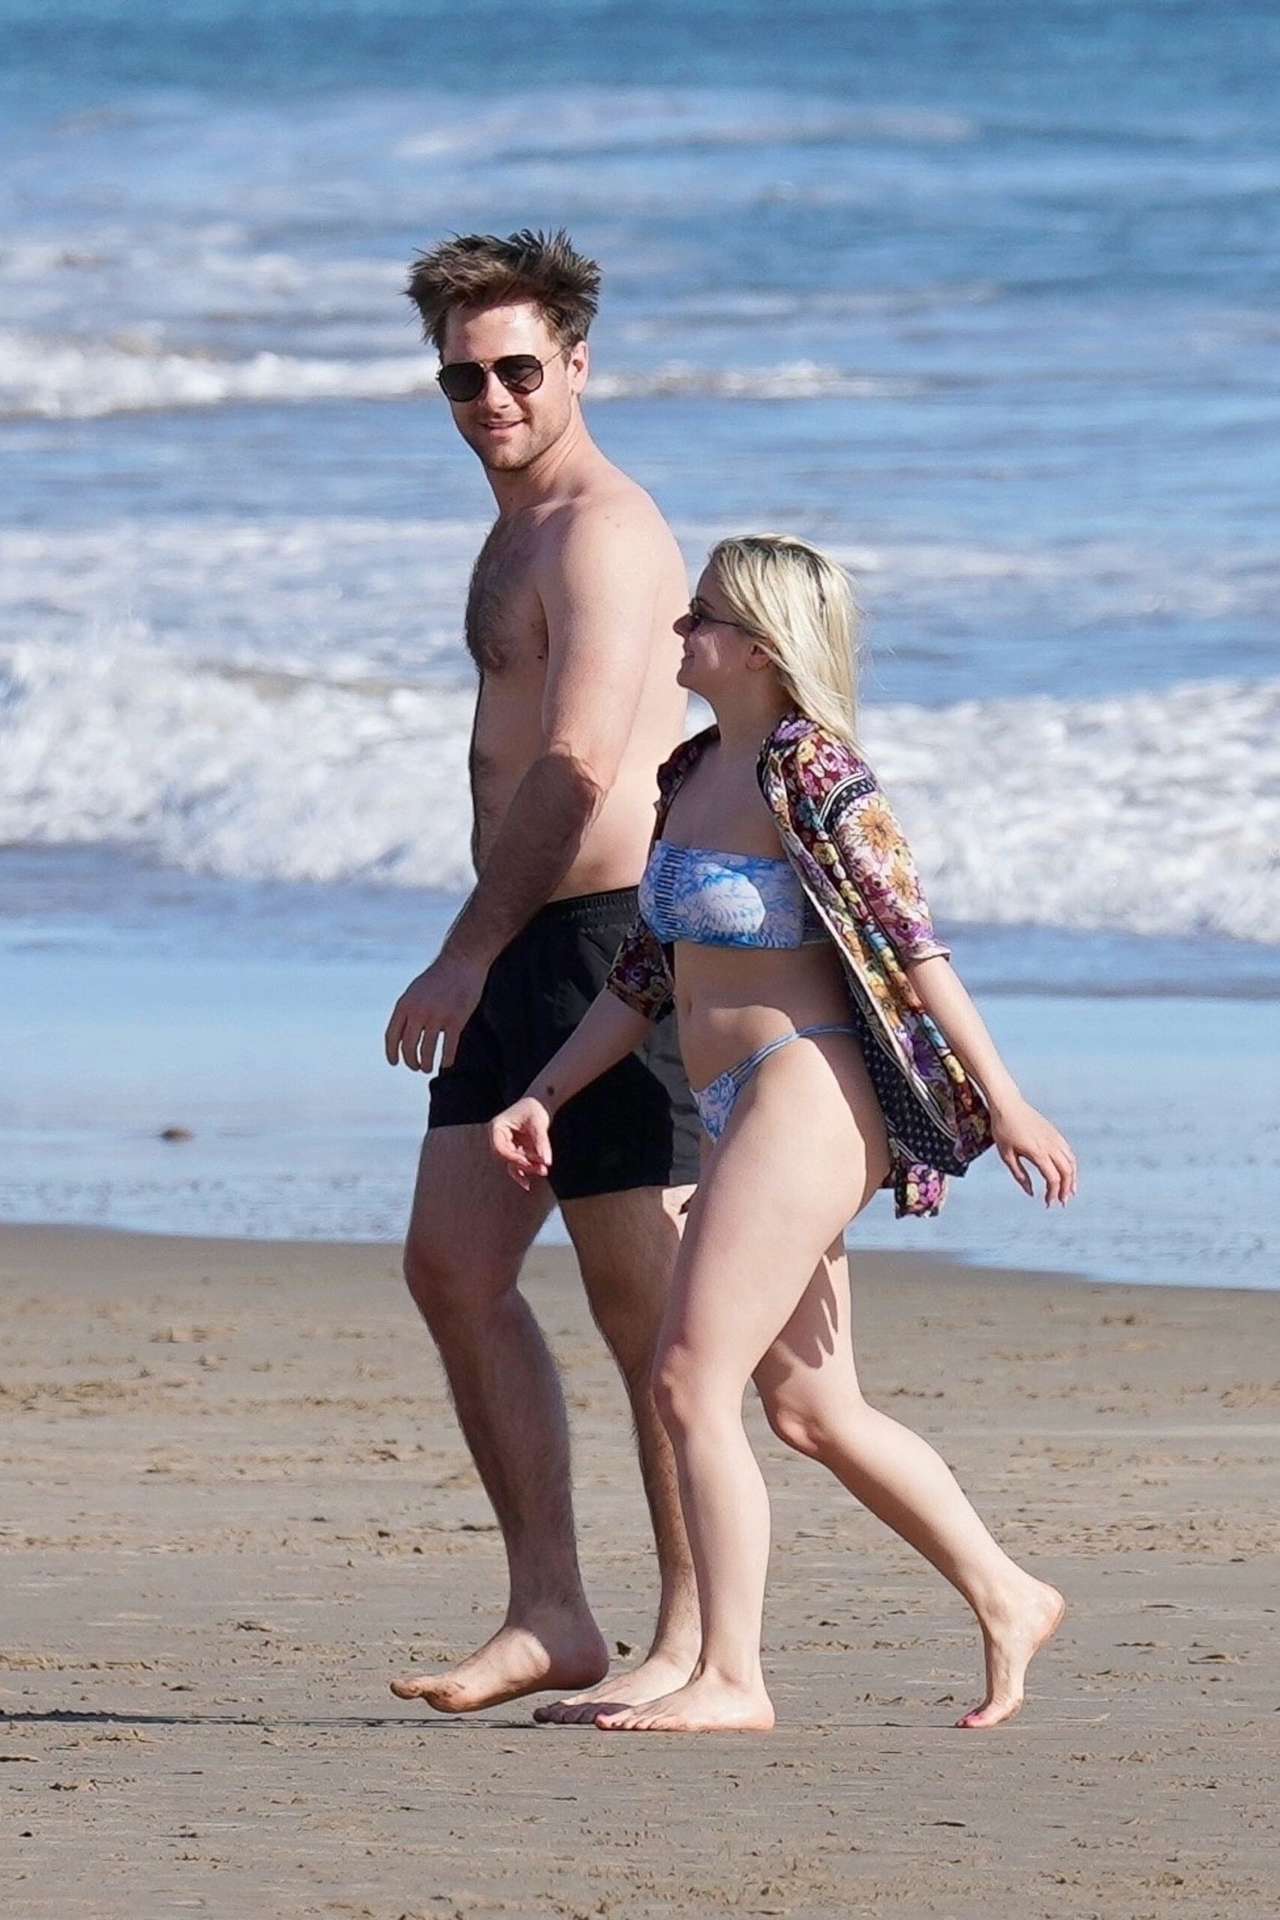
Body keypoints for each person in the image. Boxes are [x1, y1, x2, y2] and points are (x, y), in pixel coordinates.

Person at [490, 534, 1077, 1734]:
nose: (679, 631)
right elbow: (644, 975)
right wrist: (544, 1093)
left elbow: (911, 946)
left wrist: (1004, 1099)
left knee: (686, 1378)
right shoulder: (691, 767)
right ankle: (1009, 1594)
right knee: (812, 1411)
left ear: (760, 646)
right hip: (733, 1104)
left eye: (700, 616)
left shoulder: (815, 772)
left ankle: (731, 1677)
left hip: (804, 1089)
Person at [383, 229, 703, 1720]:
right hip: (521, 940)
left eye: (518, 369)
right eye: (464, 378)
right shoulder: (513, 529)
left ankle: (694, 1640)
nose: (492, 399)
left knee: (651, 1317)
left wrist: (464, 950)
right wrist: (483, 945)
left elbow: (575, 764)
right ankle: (551, 1611)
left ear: (578, 360)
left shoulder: (602, 534)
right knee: (454, 1268)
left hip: (608, 945)